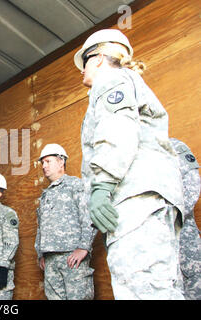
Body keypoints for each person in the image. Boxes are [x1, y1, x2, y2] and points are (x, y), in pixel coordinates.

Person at [75, 29, 185, 299]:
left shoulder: (110, 80)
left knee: (141, 291)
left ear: (99, 58)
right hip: (148, 203)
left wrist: (102, 185)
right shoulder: (127, 80)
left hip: (134, 202)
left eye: (85, 61)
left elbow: (119, 129)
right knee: (159, 289)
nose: (81, 70)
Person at [35, 144, 96, 300]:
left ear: (61, 162)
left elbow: (89, 216)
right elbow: (41, 227)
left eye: (48, 161)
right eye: (43, 163)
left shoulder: (75, 185)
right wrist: (41, 254)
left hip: (72, 257)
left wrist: (84, 247)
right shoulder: (45, 195)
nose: (44, 166)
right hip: (50, 260)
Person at [170, 138, 201, 300]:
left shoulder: (174, 146)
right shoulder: (130, 155)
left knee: (194, 288)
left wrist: (168, 217)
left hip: (183, 235)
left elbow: (192, 185)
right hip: (153, 243)